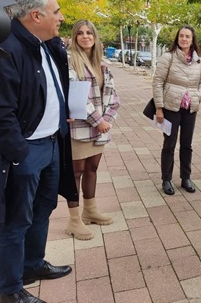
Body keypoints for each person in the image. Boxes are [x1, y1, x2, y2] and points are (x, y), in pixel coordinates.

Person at [0, 0, 78, 303]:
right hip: (27, 150)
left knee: (43, 209)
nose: (61, 17)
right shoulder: (7, 48)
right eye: (56, 12)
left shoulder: (47, 44)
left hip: (53, 144)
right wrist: (19, 154)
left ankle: (31, 265)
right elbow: (1, 112)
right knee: (15, 221)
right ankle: (10, 290)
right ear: (36, 14)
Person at [64, 20, 120, 240]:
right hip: (80, 127)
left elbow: (113, 97)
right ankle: (74, 220)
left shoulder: (102, 63)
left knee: (92, 169)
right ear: (75, 37)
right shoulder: (70, 61)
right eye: (80, 33)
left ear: (95, 37)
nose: (85, 36)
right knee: (75, 172)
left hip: (100, 127)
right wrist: (98, 120)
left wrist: (106, 120)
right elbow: (74, 96)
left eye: (89, 33)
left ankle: (90, 210)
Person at [153, 26, 201, 195]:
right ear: (177, 39)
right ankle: (166, 179)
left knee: (187, 144)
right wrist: (159, 108)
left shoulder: (199, 61)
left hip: (190, 108)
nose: (184, 39)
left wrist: (199, 95)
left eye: (188, 37)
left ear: (192, 40)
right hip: (170, 107)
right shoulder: (167, 58)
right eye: (181, 36)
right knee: (169, 144)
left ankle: (185, 178)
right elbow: (158, 82)